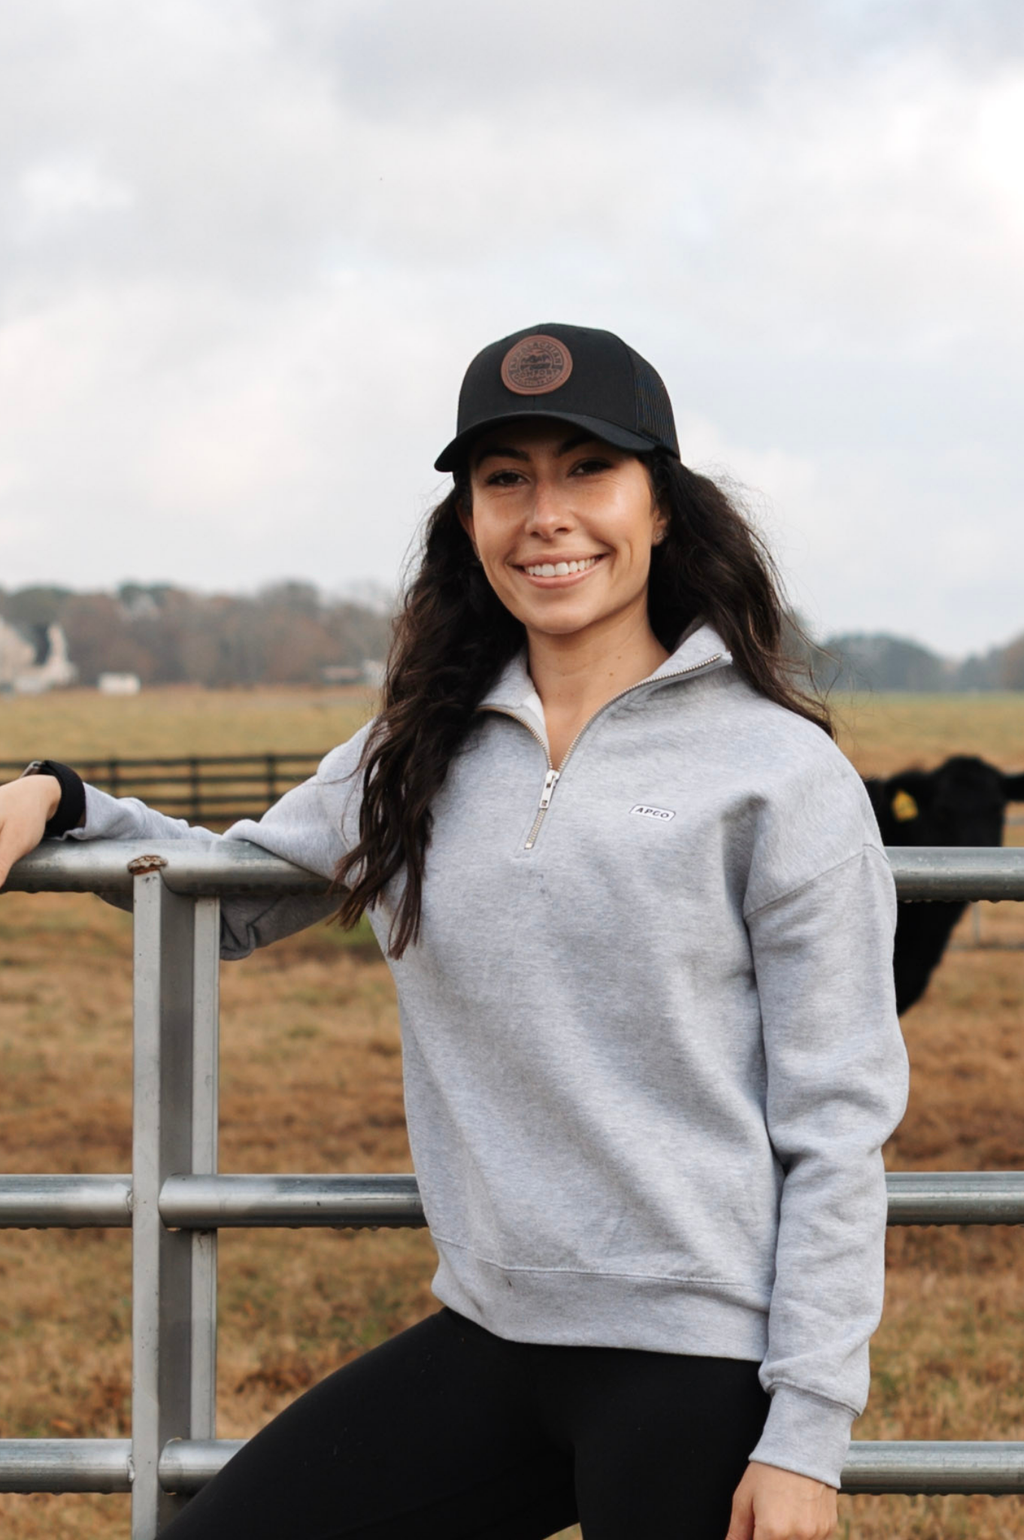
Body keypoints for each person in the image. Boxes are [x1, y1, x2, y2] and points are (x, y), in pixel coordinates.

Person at [0, 322, 909, 1540]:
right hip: (492, 1332)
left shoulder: (778, 774)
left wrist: (806, 1433)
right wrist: (60, 798)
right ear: (469, 520)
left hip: (697, 1356)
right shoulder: (414, 751)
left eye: (589, 468)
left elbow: (838, 1119)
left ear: (662, 511)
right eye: (505, 479)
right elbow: (229, 893)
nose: (547, 513)